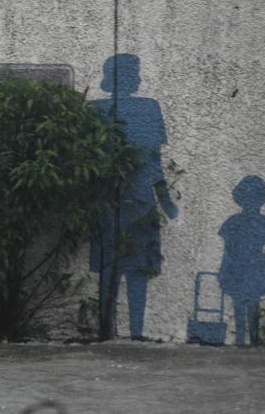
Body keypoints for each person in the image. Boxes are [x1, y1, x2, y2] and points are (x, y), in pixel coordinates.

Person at [90, 53, 178, 340]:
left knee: (113, 271)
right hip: (134, 202)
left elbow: (152, 159)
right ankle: (132, 331)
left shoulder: (97, 110)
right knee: (129, 271)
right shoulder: (146, 109)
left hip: (111, 201)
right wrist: (164, 199)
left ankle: (110, 330)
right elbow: (153, 159)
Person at [218, 176, 265, 346]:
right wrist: (226, 268)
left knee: (252, 305)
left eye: (255, 197)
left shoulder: (264, 222)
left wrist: (262, 259)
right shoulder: (233, 222)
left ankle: (254, 339)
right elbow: (227, 250)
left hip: (254, 269)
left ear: (262, 199)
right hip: (237, 269)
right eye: (247, 197)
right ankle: (240, 339)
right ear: (240, 198)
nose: (251, 202)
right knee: (239, 305)